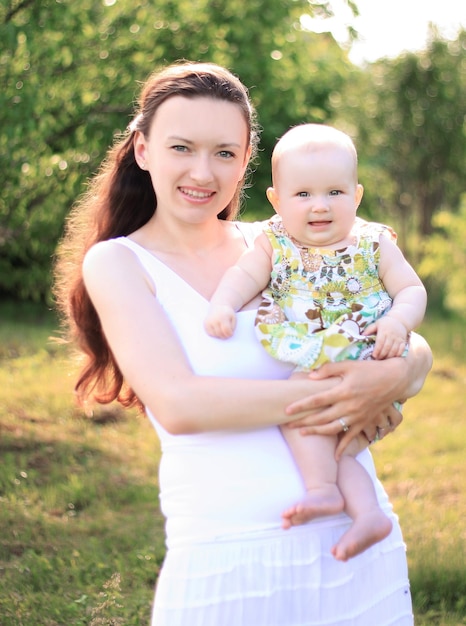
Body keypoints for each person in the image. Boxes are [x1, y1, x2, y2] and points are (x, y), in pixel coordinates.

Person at [54, 61, 432, 626]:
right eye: (182, 147)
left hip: (356, 545)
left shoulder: (281, 243)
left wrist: (397, 374)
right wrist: (344, 395)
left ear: (247, 161)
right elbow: (182, 406)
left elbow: (398, 330)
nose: (202, 172)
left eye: (225, 153)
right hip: (227, 553)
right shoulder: (119, 263)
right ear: (143, 150)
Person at [205, 123, 427, 561]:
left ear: (357, 195)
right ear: (276, 200)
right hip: (319, 359)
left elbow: (412, 289)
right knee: (336, 441)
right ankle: (367, 515)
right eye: (303, 194)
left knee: (303, 418)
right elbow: (243, 276)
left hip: (369, 352)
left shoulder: (373, 243)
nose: (320, 206)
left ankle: (324, 491)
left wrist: (399, 323)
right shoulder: (274, 242)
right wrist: (222, 305)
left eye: (335, 193)